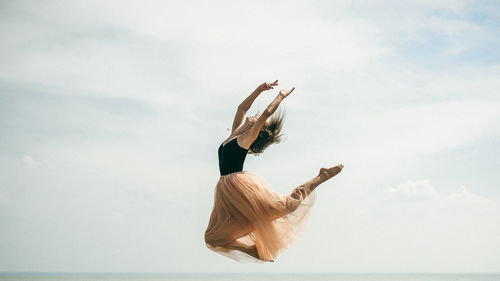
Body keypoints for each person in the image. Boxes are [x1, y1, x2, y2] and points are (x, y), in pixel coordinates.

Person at [204, 80, 344, 262]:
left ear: (256, 130)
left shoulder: (245, 139)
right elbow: (242, 108)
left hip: (238, 187)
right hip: (226, 190)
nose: (253, 117)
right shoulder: (235, 134)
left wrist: (280, 96)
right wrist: (259, 89)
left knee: (288, 206)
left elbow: (267, 113)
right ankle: (252, 250)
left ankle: (321, 176)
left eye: (257, 121)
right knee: (212, 238)